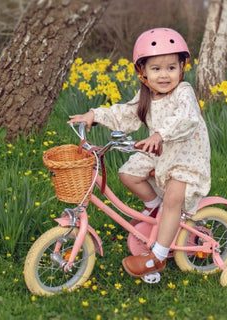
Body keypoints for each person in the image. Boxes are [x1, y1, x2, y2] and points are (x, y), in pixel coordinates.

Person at [67, 28, 211, 279]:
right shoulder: (146, 96)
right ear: (142, 72)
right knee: (128, 173)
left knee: (174, 197)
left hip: (186, 157)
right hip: (159, 152)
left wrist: (159, 135)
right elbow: (124, 113)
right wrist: (94, 116)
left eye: (171, 68)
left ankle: (158, 255)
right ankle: (154, 208)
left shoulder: (184, 92)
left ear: (182, 68)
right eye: (156, 69)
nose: (164, 75)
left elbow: (187, 119)